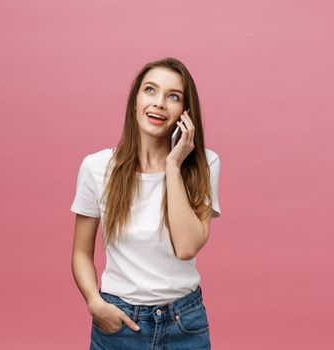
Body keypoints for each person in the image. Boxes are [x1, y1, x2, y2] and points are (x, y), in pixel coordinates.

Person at [70, 57, 221, 350]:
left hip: (184, 324)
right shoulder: (97, 167)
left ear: (185, 112)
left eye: (173, 96)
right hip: (119, 324)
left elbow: (187, 246)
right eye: (150, 90)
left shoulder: (205, 163)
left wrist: (174, 165)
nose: (159, 103)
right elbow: (80, 252)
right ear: (135, 100)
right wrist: (94, 303)